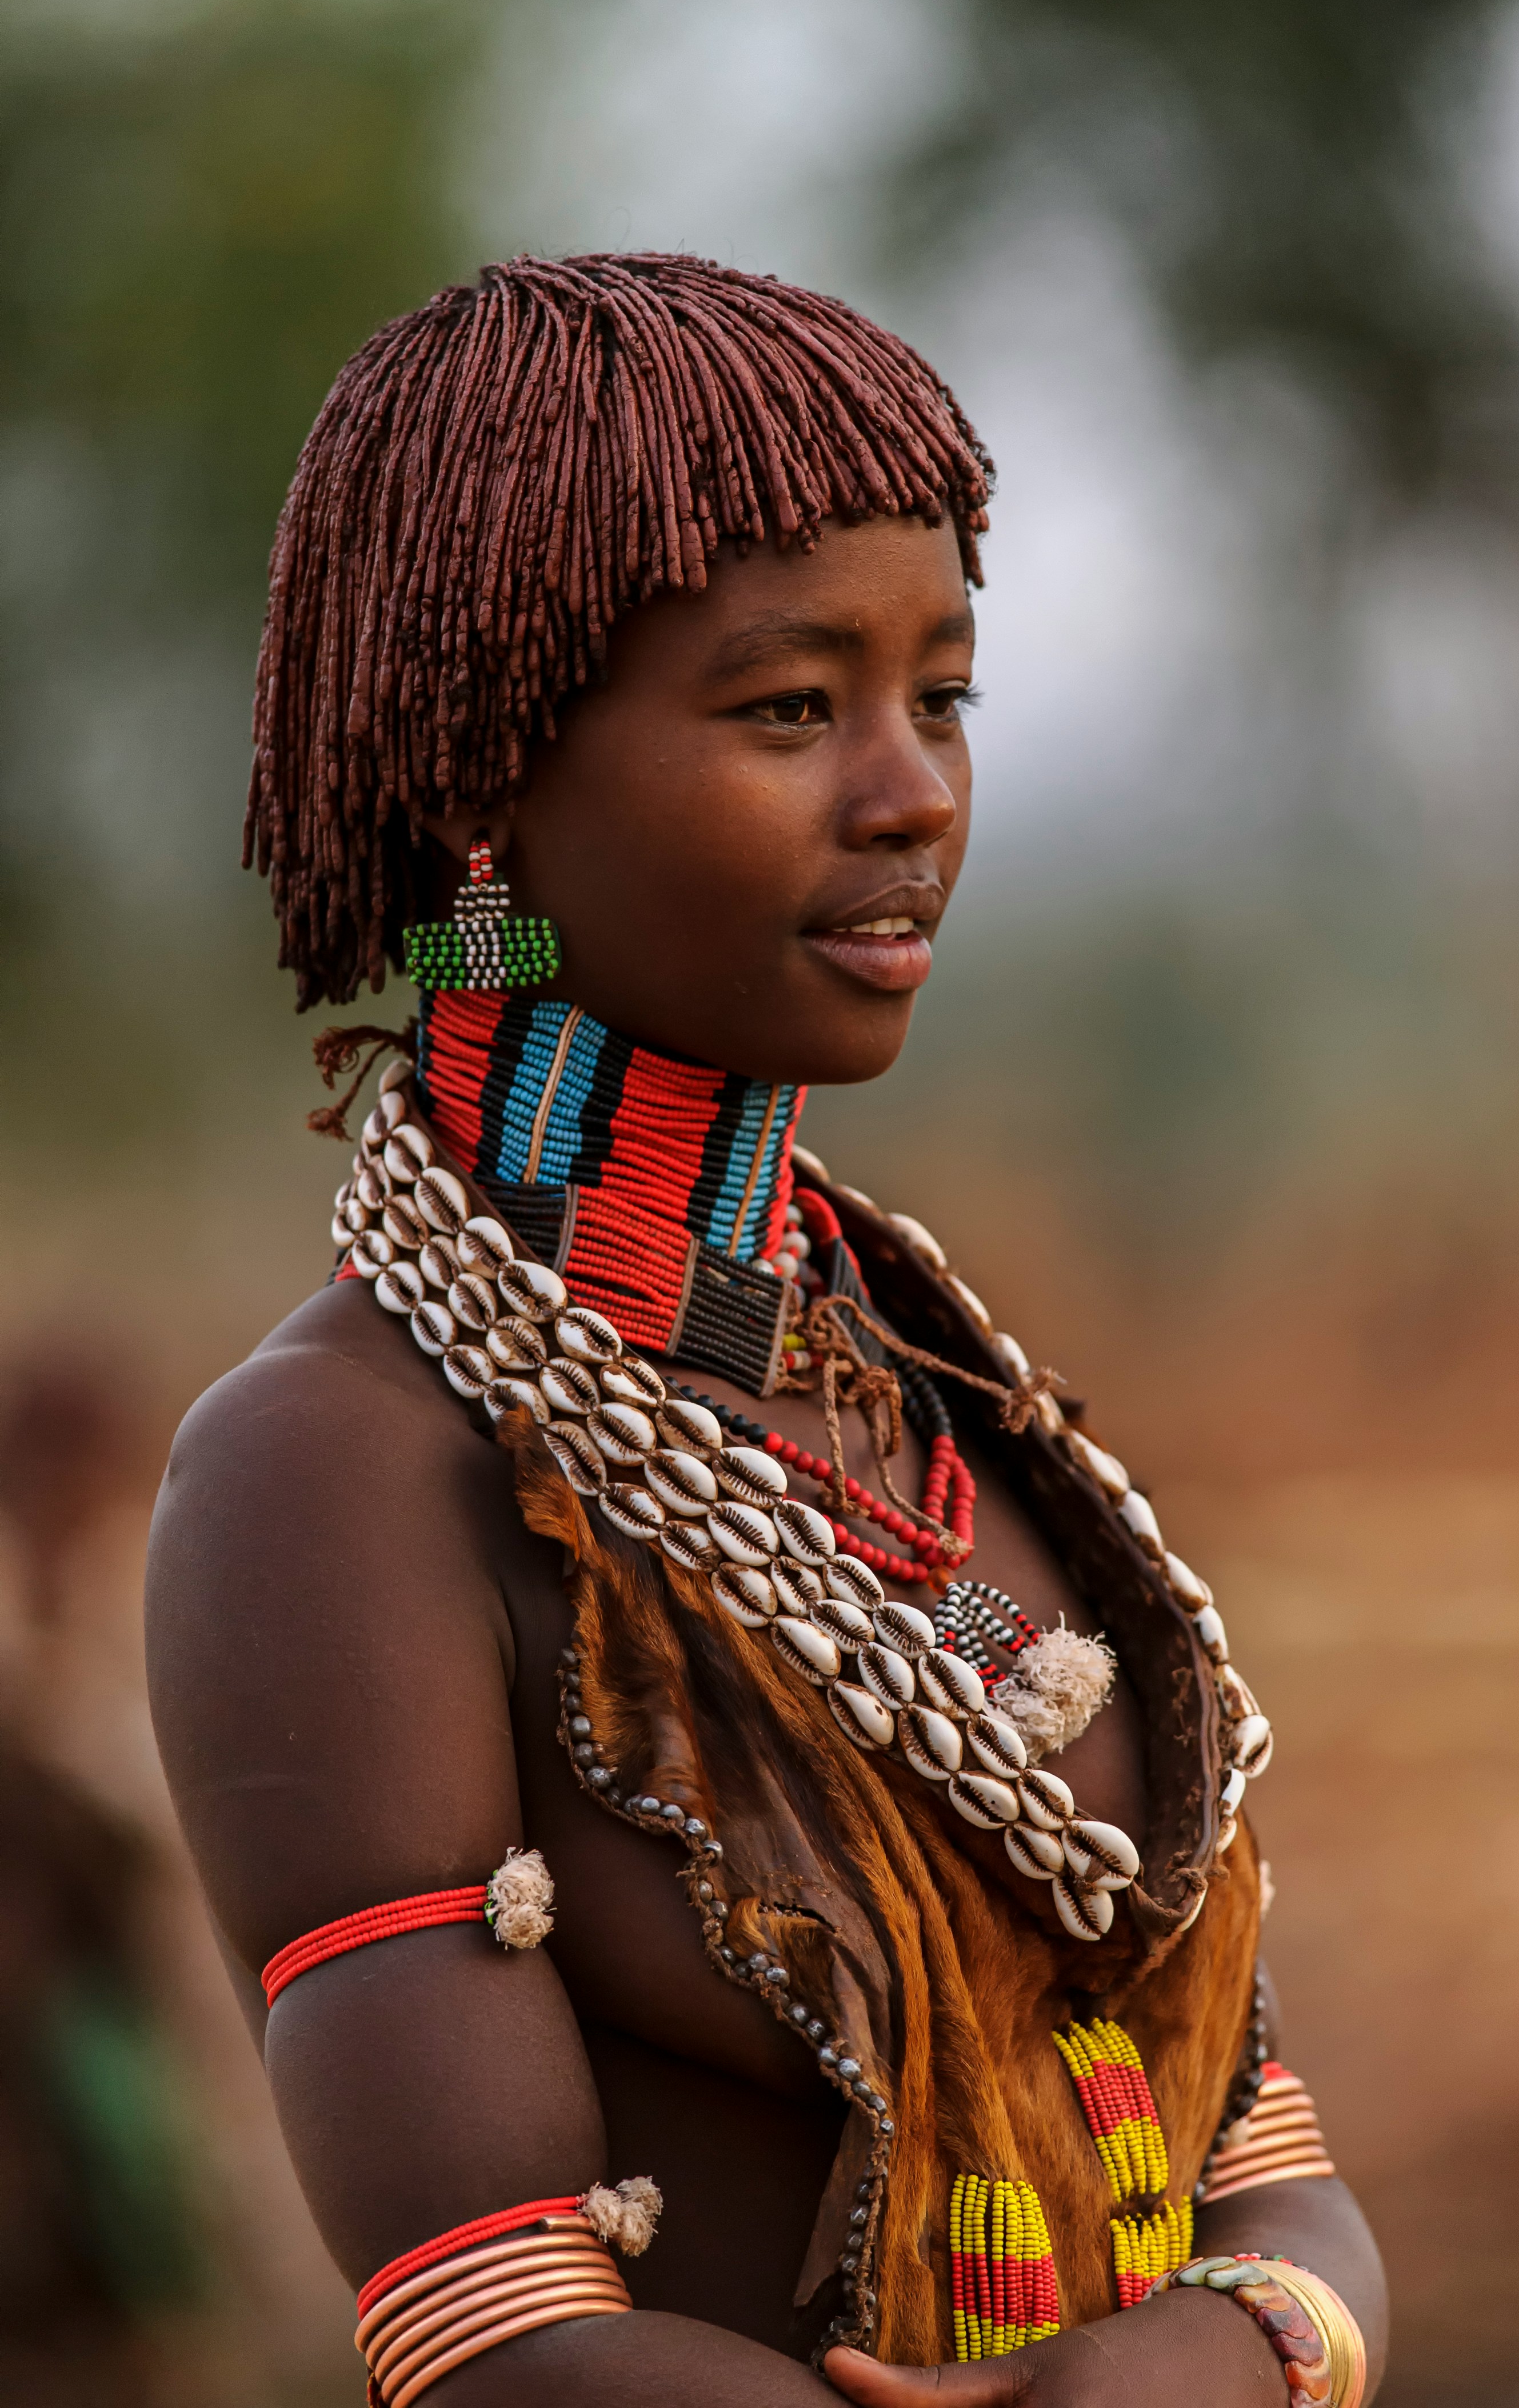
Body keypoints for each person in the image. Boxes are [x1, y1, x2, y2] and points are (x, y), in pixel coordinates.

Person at [145, 252, 1386, 2408]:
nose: (911, 796)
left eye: (948, 696)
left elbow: (1266, 2170)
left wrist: (1212, 2361)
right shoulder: (335, 1475)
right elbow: (490, 2335)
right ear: (482, 787)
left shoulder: (923, 1396)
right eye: (793, 708)